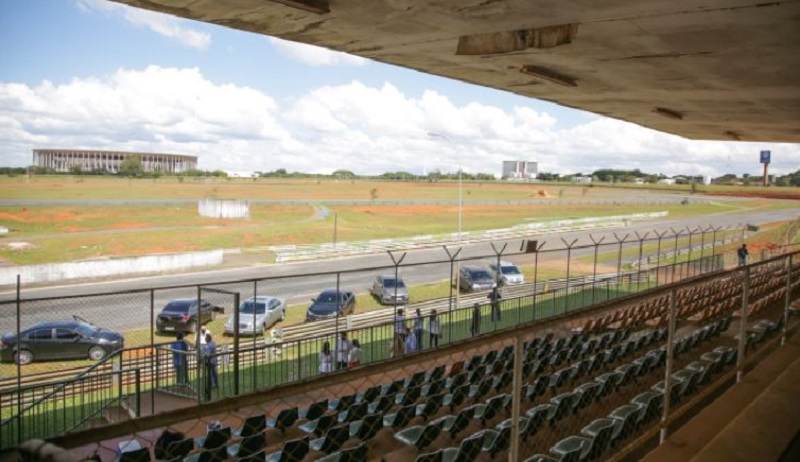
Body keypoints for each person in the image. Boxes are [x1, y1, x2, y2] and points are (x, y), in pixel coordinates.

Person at [203, 332, 218, 398]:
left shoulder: (209, 345)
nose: (205, 339)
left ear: (208, 338)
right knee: (214, 373)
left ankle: (212, 385)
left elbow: (208, 354)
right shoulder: (213, 343)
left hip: (211, 361)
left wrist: (204, 351)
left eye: (206, 338)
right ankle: (216, 384)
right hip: (214, 360)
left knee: (211, 374)